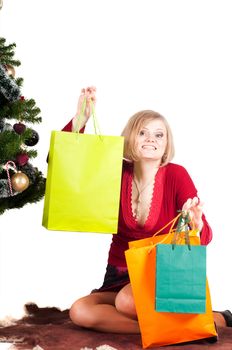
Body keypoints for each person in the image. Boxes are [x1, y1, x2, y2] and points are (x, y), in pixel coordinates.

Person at [62, 86, 232, 333]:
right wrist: (81, 118)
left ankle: (213, 319)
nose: (151, 138)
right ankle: (167, 329)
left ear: (166, 144)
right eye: (142, 132)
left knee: (127, 302)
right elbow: (73, 163)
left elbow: (204, 238)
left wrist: (197, 225)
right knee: (80, 310)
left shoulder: (177, 174)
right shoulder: (115, 171)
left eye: (159, 135)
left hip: (159, 275)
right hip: (118, 275)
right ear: (130, 138)